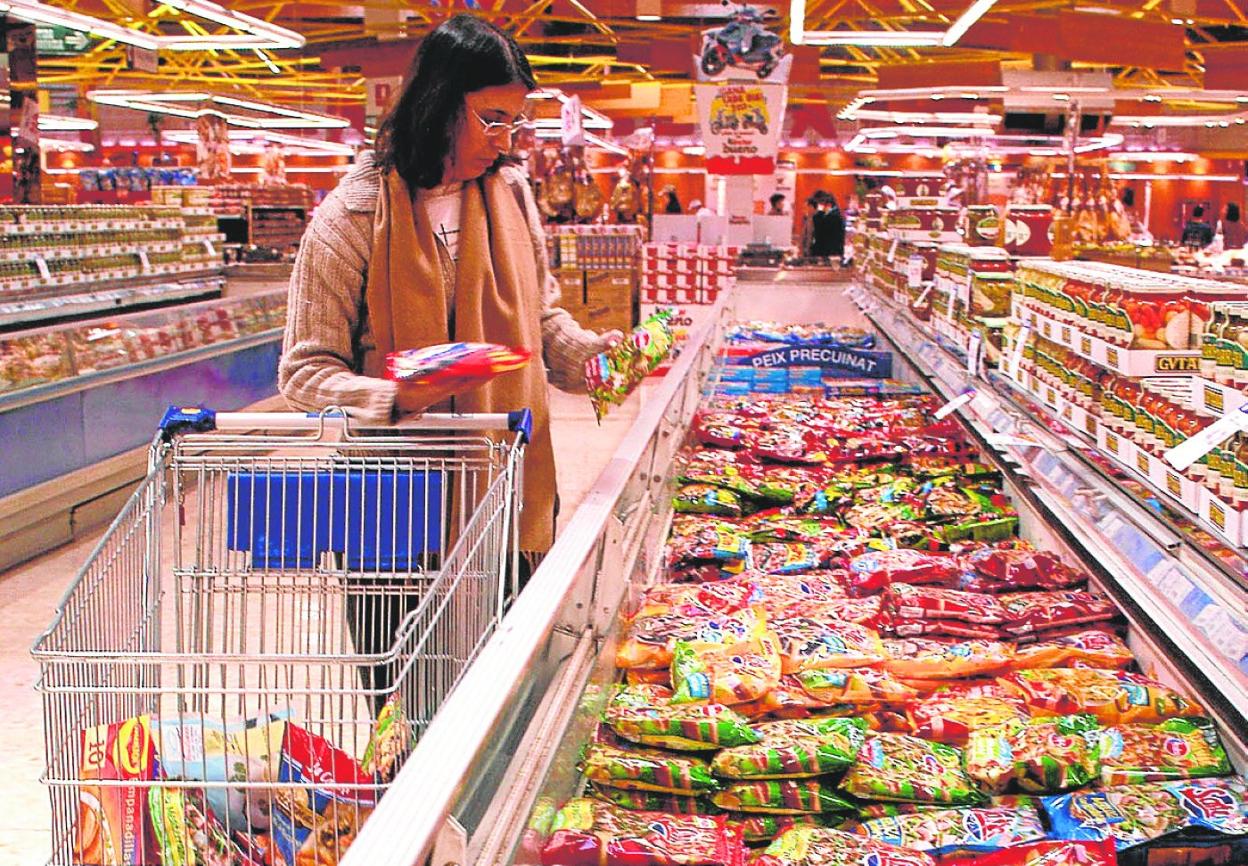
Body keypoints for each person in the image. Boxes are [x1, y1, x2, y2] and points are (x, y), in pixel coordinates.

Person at [279, 15, 620, 635]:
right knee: (406, 676)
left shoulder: (510, 194)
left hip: (505, 479)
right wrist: (392, 396)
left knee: (504, 669)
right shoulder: (352, 215)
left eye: (515, 121)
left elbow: (538, 317)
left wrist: (592, 358)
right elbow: (304, 371)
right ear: (439, 103)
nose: (505, 140)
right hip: (391, 496)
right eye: (492, 119)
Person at [810, 192, 845, 261]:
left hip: (828, 253)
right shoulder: (833, 215)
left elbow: (820, 233)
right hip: (830, 252)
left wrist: (819, 213)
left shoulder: (833, 217)